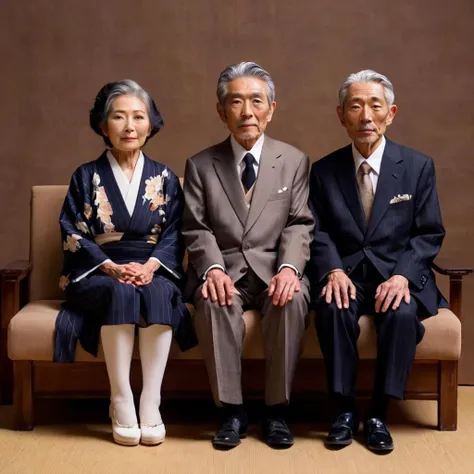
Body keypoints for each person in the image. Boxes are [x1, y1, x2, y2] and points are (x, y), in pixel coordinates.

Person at [308, 70, 446, 453]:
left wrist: (402, 277)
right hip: (346, 274)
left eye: (375, 106)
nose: (365, 116)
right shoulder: (323, 171)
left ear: (391, 113)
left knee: (401, 315)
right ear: (341, 115)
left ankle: (379, 413)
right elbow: (316, 233)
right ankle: (344, 410)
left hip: (396, 275)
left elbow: (428, 232)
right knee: (332, 307)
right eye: (355, 106)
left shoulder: (418, 167)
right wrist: (333, 270)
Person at [55, 80, 196, 446]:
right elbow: (72, 230)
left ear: (151, 125)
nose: (129, 126)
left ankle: (151, 399)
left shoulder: (165, 177)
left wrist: (150, 267)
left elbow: (176, 234)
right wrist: (110, 267)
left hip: (151, 266)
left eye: (138, 117)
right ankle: (120, 398)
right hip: (99, 270)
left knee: (160, 291)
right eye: (119, 117)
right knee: (120, 292)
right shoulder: (85, 176)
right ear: (104, 126)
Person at [182, 62, 313, 449]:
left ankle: (276, 411)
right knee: (213, 298)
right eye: (235, 102)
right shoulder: (200, 165)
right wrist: (212, 270)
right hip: (226, 269)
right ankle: (232, 411)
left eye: (256, 101)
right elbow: (195, 227)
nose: (247, 111)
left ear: (271, 109)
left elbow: (299, 223)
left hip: (276, 268)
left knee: (292, 300)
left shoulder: (294, 161)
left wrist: (290, 269)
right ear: (221, 111)